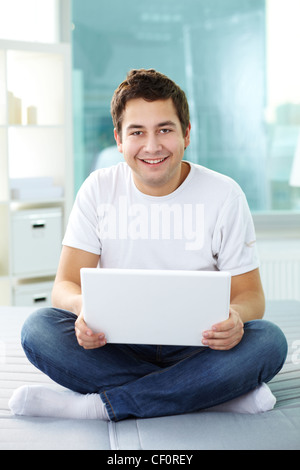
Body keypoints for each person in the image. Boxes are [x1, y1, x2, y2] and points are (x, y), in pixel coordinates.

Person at [9, 69, 287, 421]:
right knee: (38, 329)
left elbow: (252, 297)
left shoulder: (224, 194)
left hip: (198, 347)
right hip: (115, 343)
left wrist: (236, 317)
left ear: (186, 133)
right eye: (137, 132)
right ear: (119, 139)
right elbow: (64, 287)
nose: (152, 146)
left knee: (268, 341)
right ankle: (209, 394)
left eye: (165, 130)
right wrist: (83, 310)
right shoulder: (98, 189)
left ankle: (100, 406)